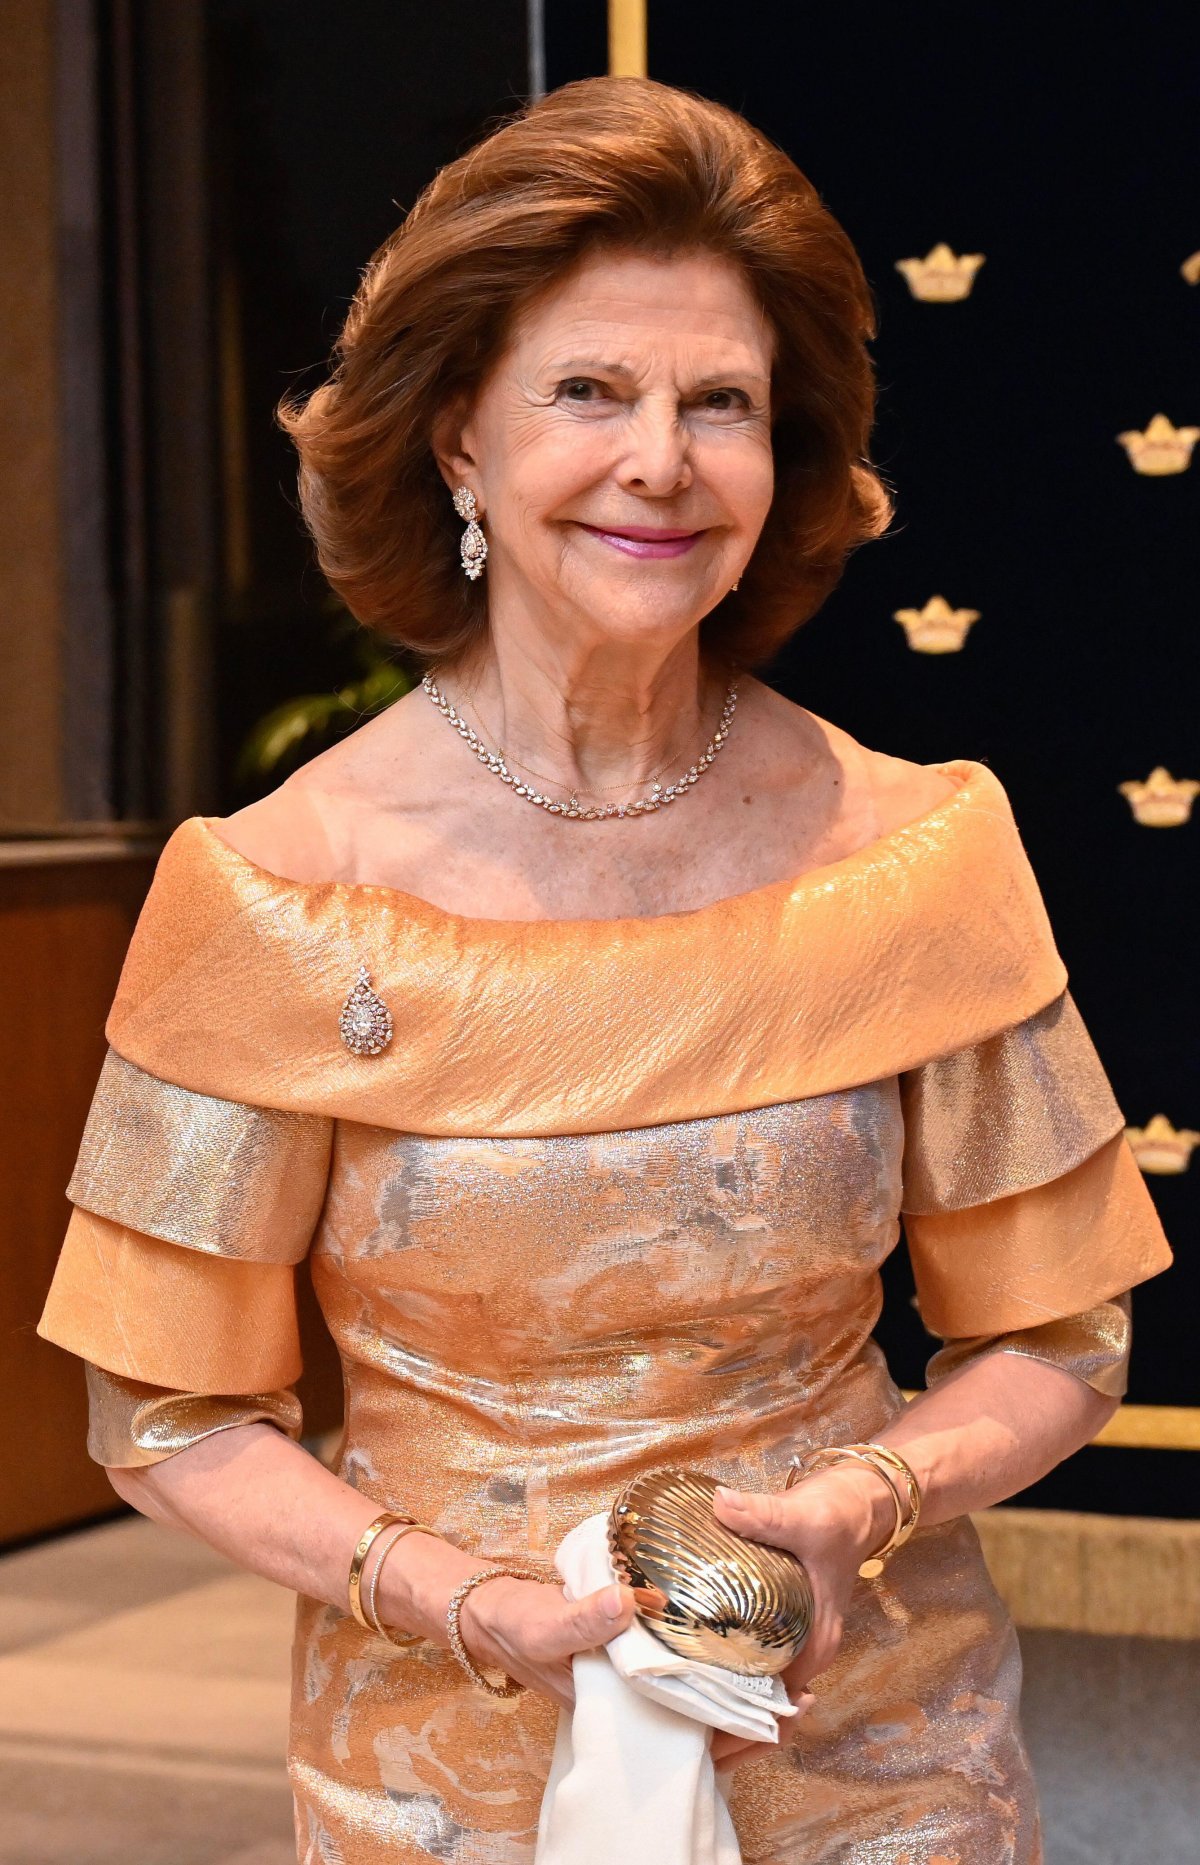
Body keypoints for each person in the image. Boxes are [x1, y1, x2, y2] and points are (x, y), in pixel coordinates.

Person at [39, 74, 1172, 1865]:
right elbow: (170, 1412)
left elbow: (1057, 1329)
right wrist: (467, 1605)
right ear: (457, 443)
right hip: (451, 1753)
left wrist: (872, 1490)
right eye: (588, 390)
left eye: (722, 403)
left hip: (870, 1734)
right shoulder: (271, 895)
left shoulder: (916, 851)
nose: (663, 459)